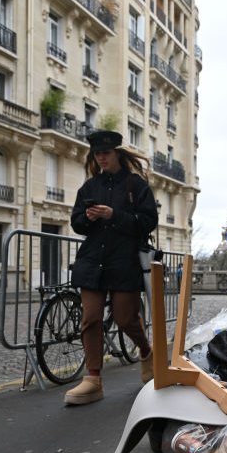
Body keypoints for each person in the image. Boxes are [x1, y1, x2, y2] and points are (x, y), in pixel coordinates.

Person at [64, 130, 158, 405]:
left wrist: (114, 215)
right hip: (93, 260)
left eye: (106, 153)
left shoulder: (136, 185)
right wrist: (90, 217)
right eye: (97, 154)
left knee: (125, 318)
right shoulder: (89, 187)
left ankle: (146, 351)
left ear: (117, 153)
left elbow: (148, 220)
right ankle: (93, 380)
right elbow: (77, 222)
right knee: (90, 318)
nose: (101, 158)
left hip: (124, 260)